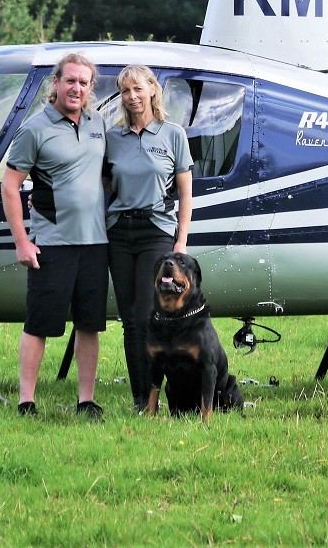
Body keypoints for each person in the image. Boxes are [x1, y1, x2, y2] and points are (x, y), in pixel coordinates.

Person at [2, 52, 109, 418]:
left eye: (83, 82)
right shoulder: (35, 128)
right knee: (39, 323)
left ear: (90, 87)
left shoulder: (98, 124)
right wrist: (21, 241)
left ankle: (86, 400)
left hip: (96, 243)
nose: (76, 87)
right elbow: (10, 186)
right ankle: (26, 401)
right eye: (70, 80)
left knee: (89, 324)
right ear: (56, 83)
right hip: (52, 243)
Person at [105, 64, 193, 412]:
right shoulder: (112, 138)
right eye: (125, 91)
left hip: (156, 232)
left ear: (153, 90)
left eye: (138, 89)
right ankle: (142, 401)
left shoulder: (173, 134)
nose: (132, 97)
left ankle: (169, 395)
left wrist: (181, 240)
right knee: (130, 320)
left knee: (148, 316)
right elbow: (95, 183)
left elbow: (186, 193)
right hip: (119, 233)